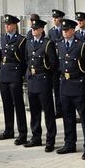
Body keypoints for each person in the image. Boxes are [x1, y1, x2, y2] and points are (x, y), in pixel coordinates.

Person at [56, 17, 85, 159]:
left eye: (66, 30)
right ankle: (69, 143)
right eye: (63, 30)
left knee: (84, 118)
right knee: (67, 116)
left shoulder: (82, 45)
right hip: (65, 84)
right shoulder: (59, 44)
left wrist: (83, 81)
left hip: (78, 84)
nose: (64, 32)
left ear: (73, 30)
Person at [24, 17, 57, 152]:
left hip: (43, 81)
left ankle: (50, 140)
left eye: (36, 28)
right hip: (32, 80)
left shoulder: (47, 43)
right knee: (34, 112)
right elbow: (27, 59)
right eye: (32, 28)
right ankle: (36, 137)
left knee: (48, 113)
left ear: (42, 29)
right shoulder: (29, 42)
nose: (33, 30)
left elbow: (53, 64)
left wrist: (45, 75)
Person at [0, 14, 27, 144]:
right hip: (3, 75)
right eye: (5, 24)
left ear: (15, 25)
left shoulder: (21, 40)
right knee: (6, 104)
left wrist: (22, 76)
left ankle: (22, 133)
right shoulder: (3, 38)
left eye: (9, 24)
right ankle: (9, 130)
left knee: (18, 105)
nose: (7, 26)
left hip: (15, 76)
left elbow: (24, 60)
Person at [48, 9, 65, 117]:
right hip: (55, 63)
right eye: (53, 18)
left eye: (56, 17)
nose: (54, 19)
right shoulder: (51, 32)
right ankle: (58, 110)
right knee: (56, 88)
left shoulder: (66, 29)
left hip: (64, 62)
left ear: (61, 18)